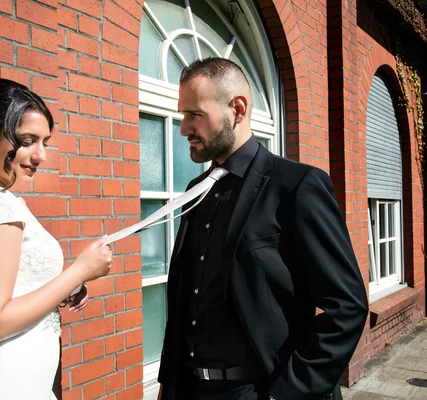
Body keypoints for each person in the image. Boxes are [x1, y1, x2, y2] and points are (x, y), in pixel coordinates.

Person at [156, 58, 369, 400]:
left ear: (237, 109)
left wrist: (287, 393)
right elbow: (186, 300)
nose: (184, 128)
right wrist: (169, 384)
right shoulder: (197, 191)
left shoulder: (297, 187)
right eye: (184, 115)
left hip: (261, 391)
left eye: (194, 114)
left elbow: (347, 306)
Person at [0, 77, 113, 399]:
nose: (41, 155)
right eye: (28, 140)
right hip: (0, 385)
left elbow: (5, 287)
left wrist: (61, 285)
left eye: (44, 141)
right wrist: (80, 271)